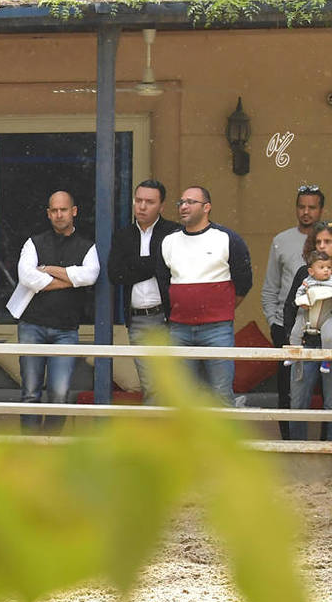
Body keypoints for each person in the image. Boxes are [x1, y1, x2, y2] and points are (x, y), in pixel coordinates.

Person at [4, 190, 100, 433]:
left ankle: (51, 446)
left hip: (66, 331)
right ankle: (30, 447)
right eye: (54, 210)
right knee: (30, 393)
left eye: (63, 209)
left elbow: (90, 276)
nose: (59, 214)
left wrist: (48, 269)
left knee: (59, 394)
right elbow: (27, 278)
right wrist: (70, 279)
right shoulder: (34, 243)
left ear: (74, 211)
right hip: (32, 326)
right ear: (48, 214)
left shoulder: (87, 246)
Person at [161, 185, 252, 404]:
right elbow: (164, 283)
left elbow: (244, 282)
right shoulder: (168, 241)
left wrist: (219, 309)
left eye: (191, 202)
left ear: (207, 207)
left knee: (221, 394)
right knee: (181, 398)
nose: (184, 206)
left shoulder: (227, 238)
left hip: (217, 330)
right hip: (179, 329)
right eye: (181, 202)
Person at [107, 178, 180, 400]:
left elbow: (173, 269)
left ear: (161, 206)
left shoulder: (173, 233)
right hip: (137, 319)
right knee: (150, 386)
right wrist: (154, 264)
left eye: (149, 202)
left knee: (175, 383)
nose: (142, 206)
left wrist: (137, 264)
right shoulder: (123, 235)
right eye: (138, 200)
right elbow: (116, 274)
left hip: (168, 317)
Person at [260, 184, 324, 435]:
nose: (306, 212)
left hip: (325, 328)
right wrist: (275, 325)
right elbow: (270, 288)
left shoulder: (328, 241)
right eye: (301, 207)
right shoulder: (282, 241)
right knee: (289, 393)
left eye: (312, 207)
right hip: (288, 328)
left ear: (321, 210)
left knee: (327, 394)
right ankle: (290, 445)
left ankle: (325, 446)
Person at [282, 221, 332, 440]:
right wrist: (293, 335)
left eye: (327, 241)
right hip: (306, 343)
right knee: (299, 404)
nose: (322, 246)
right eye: (318, 241)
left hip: (331, 344)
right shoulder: (305, 272)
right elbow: (290, 307)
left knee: (331, 405)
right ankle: (297, 454)